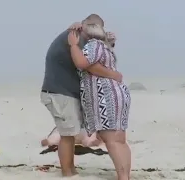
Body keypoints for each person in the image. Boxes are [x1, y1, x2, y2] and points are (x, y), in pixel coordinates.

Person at [40, 14, 122, 177]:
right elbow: (89, 66)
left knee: (70, 134)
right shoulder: (76, 37)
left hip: (64, 93)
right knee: (67, 135)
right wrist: (114, 75)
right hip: (59, 93)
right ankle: (67, 172)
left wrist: (109, 44)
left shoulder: (82, 39)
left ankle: (71, 169)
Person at [68, 24, 131, 180]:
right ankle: (125, 176)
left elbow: (82, 63)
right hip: (118, 95)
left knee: (112, 141)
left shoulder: (93, 46)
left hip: (106, 97)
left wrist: (73, 45)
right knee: (119, 140)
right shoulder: (105, 47)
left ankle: (123, 177)